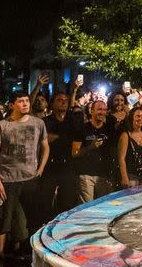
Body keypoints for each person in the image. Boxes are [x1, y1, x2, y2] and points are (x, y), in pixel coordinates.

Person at [0, 93, 49, 261]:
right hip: (7, 179)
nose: (25, 104)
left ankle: (28, 252)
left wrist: (40, 168)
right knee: (5, 218)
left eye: (26, 101)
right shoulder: (1, 126)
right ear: (12, 105)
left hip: (30, 178)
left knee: (31, 217)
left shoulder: (38, 123)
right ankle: (0, 254)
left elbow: (45, 146)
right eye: (21, 101)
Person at [38, 87, 81, 224]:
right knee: (45, 203)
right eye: (59, 100)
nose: (63, 103)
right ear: (53, 103)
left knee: (67, 203)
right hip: (49, 166)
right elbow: (43, 140)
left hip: (68, 166)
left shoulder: (73, 121)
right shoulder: (45, 122)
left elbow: (77, 139)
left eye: (65, 101)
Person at [71, 99, 116, 203]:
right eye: (99, 109)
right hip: (86, 175)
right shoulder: (82, 129)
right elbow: (74, 153)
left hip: (104, 175)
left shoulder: (109, 130)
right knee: (87, 208)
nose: (102, 112)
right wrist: (89, 147)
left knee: (103, 207)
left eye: (104, 110)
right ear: (91, 111)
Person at [117, 108, 142, 188]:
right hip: (130, 173)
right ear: (132, 118)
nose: (140, 118)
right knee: (133, 198)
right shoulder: (125, 135)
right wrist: (124, 177)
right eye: (137, 116)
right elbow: (121, 159)